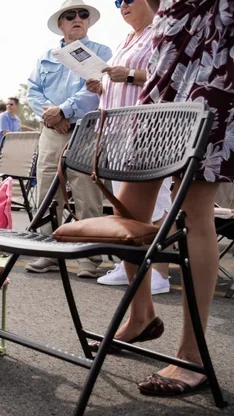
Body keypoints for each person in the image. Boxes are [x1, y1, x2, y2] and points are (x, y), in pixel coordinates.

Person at [91, 0, 233, 396]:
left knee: (195, 204)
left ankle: (193, 354)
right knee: (129, 200)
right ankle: (142, 316)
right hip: (169, 53)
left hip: (218, 47)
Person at [83, 0, 170, 296]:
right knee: (125, 202)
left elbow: (166, 74)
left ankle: (159, 271)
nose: (123, 6)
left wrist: (130, 75)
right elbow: (119, 82)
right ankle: (130, 262)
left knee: (155, 204)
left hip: (146, 129)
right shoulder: (127, 39)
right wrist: (102, 86)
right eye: (118, 2)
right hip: (118, 130)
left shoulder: (159, 31)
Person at [25, 0, 112, 277]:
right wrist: (53, 115)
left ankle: (89, 258)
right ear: (60, 24)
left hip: (86, 130)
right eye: (70, 15)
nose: (78, 18)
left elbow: (95, 90)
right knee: (47, 191)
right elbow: (33, 91)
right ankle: (47, 253)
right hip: (52, 131)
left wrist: (64, 110)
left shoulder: (102, 52)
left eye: (83, 14)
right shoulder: (45, 56)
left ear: (88, 21)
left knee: (87, 192)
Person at [0, 97, 21, 169]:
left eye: (11, 104)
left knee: (9, 175)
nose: (8, 106)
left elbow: (18, 134)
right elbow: (6, 133)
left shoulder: (18, 120)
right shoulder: (3, 116)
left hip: (10, 150)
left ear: (16, 106)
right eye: (7, 104)